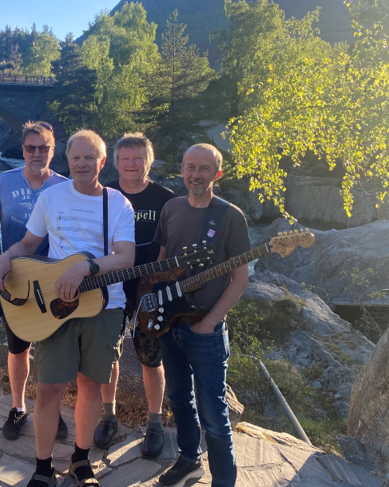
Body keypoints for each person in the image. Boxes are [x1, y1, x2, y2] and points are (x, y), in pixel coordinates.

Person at [0, 130, 135, 487]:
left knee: (89, 386)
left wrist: (87, 266)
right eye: (76, 158)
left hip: (105, 306)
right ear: (66, 161)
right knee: (51, 387)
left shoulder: (117, 203)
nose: (82, 163)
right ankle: (42, 468)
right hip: (54, 307)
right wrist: (4, 259)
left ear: (102, 162)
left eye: (90, 158)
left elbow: (126, 256)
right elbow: (28, 243)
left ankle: (80, 461)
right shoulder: (52, 198)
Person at [154, 143, 250, 487]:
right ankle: (189, 460)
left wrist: (209, 324)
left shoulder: (229, 216)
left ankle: (223, 481)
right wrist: (155, 310)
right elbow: (163, 267)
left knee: (214, 417)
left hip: (206, 331)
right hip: (169, 325)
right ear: (182, 170)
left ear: (217, 174)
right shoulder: (171, 208)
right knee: (179, 399)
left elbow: (240, 277)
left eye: (204, 168)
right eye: (190, 167)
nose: (195, 175)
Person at [0, 121, 68, 441]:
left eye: (43, 147)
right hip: (14, 282)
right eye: (31, 148)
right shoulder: (4, 182)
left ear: (53, 149)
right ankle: (18, 407)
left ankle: (51, 408)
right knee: (18, 348)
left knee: (52, 349)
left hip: (52, 282)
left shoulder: (64, 186)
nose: (37, 153)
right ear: (22, 150)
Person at [94, 133, 176, 457]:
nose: (131, 164)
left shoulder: (166, 199)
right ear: (115, 163)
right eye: (125, 159)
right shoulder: (105, 195)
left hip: (150, 289)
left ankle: (154, 422)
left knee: (150, 358)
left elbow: (170, 246)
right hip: (112, 287)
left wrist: (153, 282)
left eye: (137, 158)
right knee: (107, 354)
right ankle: (107, 414)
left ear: (148, 161)